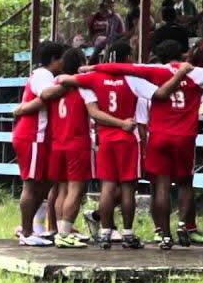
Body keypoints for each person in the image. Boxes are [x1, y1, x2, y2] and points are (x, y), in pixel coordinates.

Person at [89, 40, 203, 249]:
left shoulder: (155, 70)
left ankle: (164, 235)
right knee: (185, 184)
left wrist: (93, 67)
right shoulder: (194, 73)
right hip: (185, 137)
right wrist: (202, 85)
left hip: (159, 135)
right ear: (181, 54)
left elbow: (122, 67)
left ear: (160, 56)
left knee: (161, 186)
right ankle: (184, 225)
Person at [61, 44, 146, 250]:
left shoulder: (92, 80)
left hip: (105, 139)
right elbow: (156, 92)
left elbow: (64, 80)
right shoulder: (133, 79)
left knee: (107, 187)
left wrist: (92, 70)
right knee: (128, 188)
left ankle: (105, 232)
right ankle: (127, 233)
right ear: (126, 58)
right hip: (128, 138)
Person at [34, 49, 95, 248]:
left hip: (57, 143)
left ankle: (61, 232)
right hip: (77, 143)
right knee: (75, 190)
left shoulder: (55, 85)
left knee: (61, 189)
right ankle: (65, 233)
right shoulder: (82, 86)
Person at [11, 42, 67, 247]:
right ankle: (26, 231)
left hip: (40, 136)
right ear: (54, 59)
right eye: (63, 58)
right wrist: (70, 82)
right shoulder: (44, 75)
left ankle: (31, 228)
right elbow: (46, 96)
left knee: (45, 182)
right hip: (33, 134)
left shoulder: (48, 76)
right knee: (32, 184)